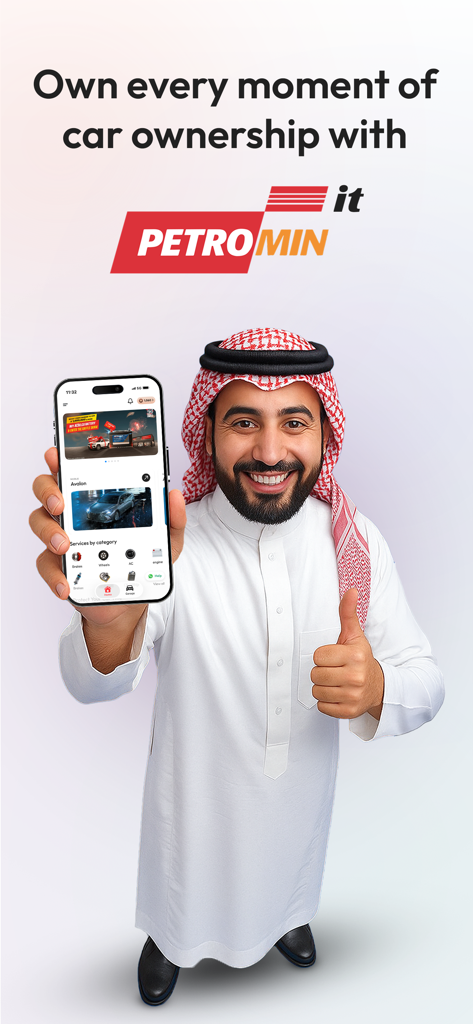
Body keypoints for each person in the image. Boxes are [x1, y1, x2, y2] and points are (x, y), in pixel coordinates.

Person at [30, 328, 444, 1006]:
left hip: (298, 813)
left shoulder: (354, 544)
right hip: (190, 820)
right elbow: (90, 685)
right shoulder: (171, 542)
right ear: (208, 432)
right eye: (244, 422)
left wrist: (377, 687)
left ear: (324, 435)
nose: (270, 452)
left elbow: (426, 682)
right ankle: (170, 940)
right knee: (181, 890)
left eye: (294, 423)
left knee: (290, 874)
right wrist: (108, 623)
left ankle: (287, 918)